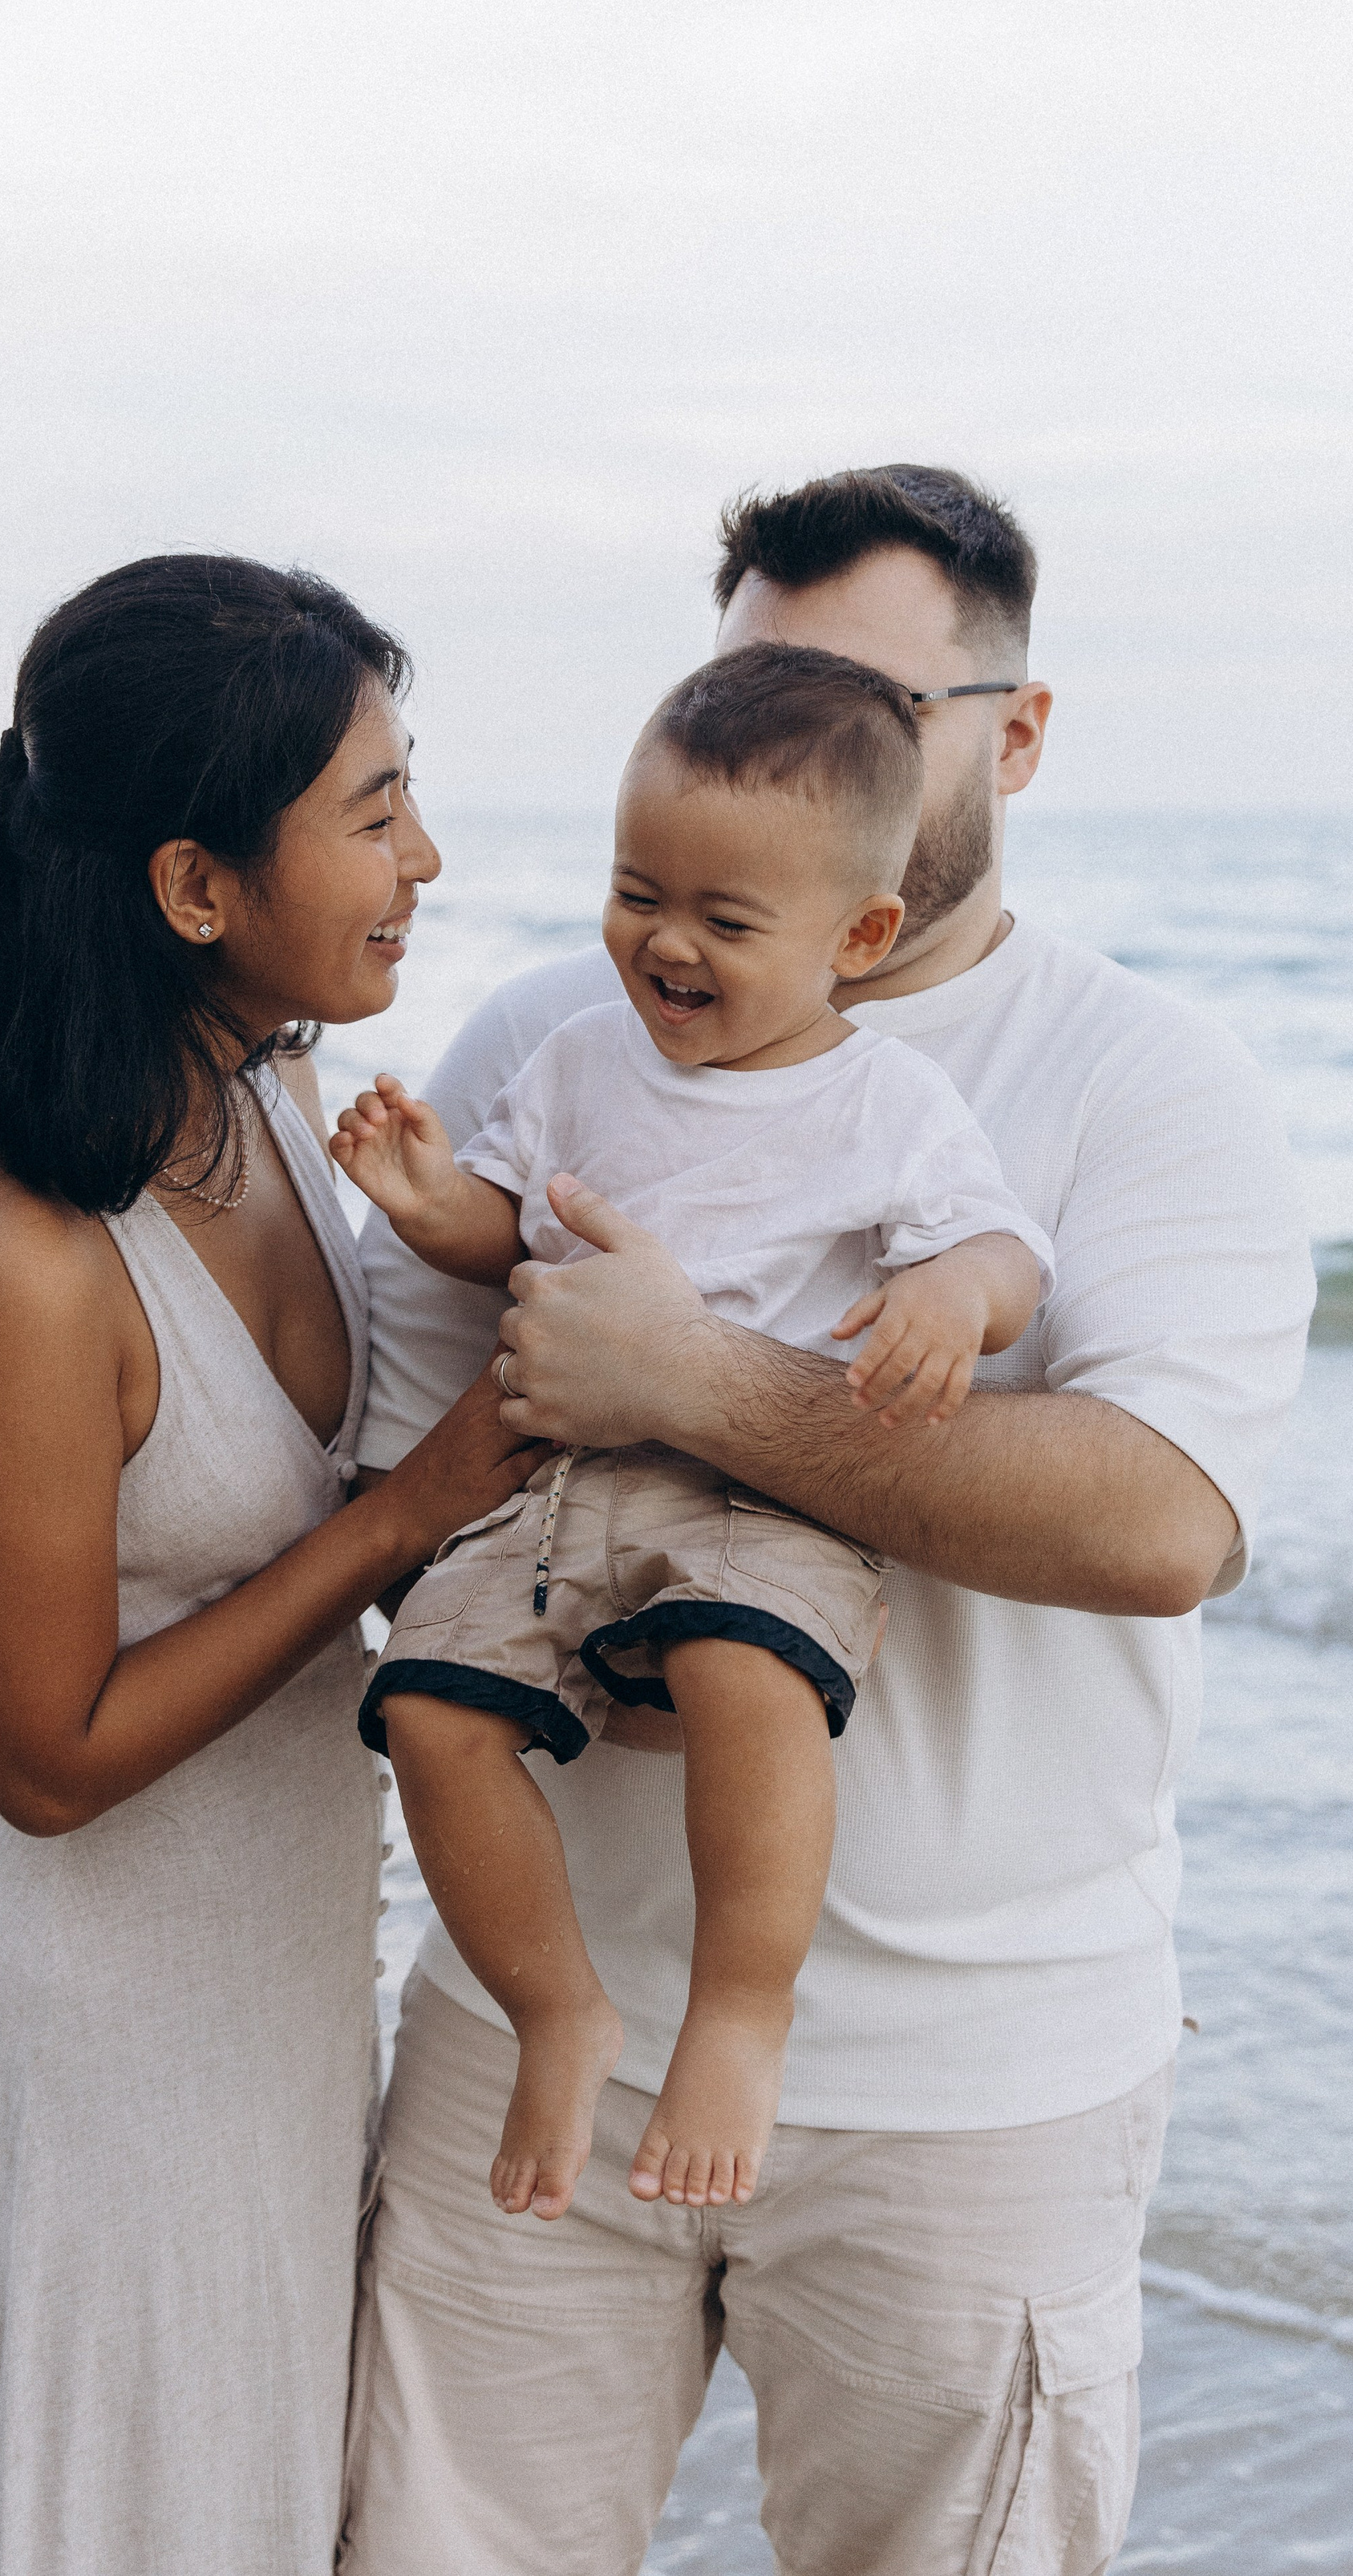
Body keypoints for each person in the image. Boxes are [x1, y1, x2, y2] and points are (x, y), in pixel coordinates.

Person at [340, 468, 1315, 2576]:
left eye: (867, 690)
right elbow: (423, 1483)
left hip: (972, 2091)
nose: (800, 729)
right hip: (537, 2037)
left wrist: (697, 1383)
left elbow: (1160, 1520)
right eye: (749, 682)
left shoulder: (1150, 1082)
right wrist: (601, 1641)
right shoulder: (553, 1035)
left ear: (1017, 734)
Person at [0, 554, 545, 2576]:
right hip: (93, 2040)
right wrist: (397, 1517)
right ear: (192, 887)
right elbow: (43, 1756)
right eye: (370, 809)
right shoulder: (16, 1251)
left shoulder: (284, 1090)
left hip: (279, 1998)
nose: (423, 853)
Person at [330, 643, 1050, 2226]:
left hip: (754, 1486)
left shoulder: (888, 1104)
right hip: (562, 1471)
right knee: (430, 1709)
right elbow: (499, 1223)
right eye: (633, 889)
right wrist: (424, 1196)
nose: (663, 942)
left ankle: (738, 2010)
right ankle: (557, 2008)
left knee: (746, 1672)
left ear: (853, 937)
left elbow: (1001, 1253)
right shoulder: (580, 1052)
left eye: (725, 922)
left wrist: (949, 1295)